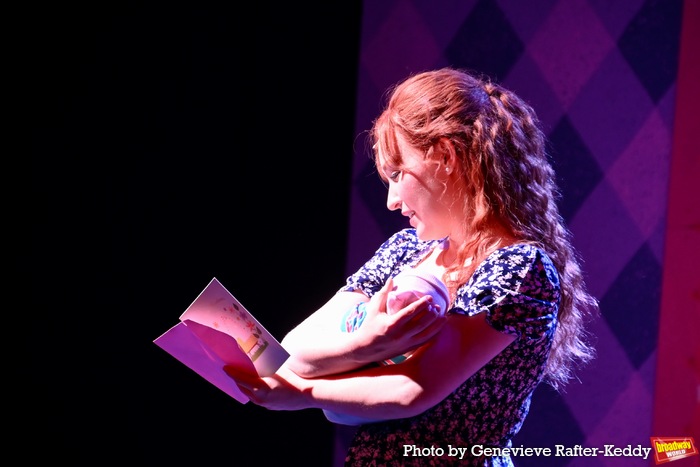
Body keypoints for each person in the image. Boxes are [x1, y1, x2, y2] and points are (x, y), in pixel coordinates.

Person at [224, 67, 598, 466]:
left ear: (446, 156)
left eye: (399, 173)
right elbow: (293, 350)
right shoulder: (405, 251)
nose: (391, 200)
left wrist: (302, 392)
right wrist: (367, 342)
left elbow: (412, 390)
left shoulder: (520, 268)